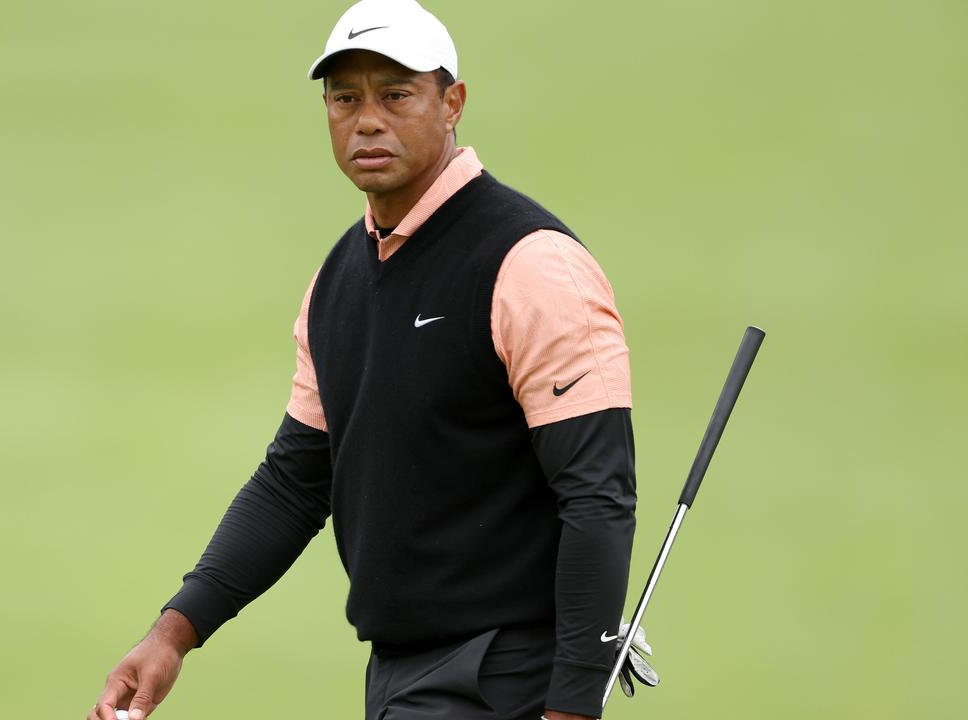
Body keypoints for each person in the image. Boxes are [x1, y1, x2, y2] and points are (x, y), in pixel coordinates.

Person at [88, 1, 636, 718]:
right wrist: (174, 633)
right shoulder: (340, 280)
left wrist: (571, 705)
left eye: (396, 94)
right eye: (345, 98)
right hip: (400, 679)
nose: (367, 119)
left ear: (453, 104)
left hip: (503, 678)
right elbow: (294, 482)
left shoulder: (530, 263)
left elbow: (598, 495)